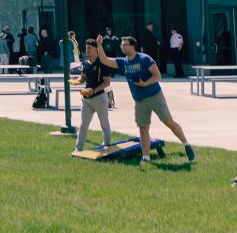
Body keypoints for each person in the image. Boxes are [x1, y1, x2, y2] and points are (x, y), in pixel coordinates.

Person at [97, 35, 195, 163]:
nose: (122, 46)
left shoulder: (144, 59)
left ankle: (186, 144)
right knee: (143, 129)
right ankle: (146, 157)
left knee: (168, 122)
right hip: (139, 101)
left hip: (155, 96)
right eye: (121, 44)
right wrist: (99, 44)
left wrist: (145, 83)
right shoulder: (123, 62)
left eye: (124, 44)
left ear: (132, 46)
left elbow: (157, 75)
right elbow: (104, 60)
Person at [71, 37, 115, 155]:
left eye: (89, 48)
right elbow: (83, 77)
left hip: (99, 98)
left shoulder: (102, 63)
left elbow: (107, 82)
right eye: (86, 49)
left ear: (96, 49)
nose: (87, 51)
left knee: (104, 124)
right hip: (86, 99)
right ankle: (78, 149)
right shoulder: (85, 63)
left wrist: (94, 90)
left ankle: (106, 146)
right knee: (83, 124)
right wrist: (76, 81)